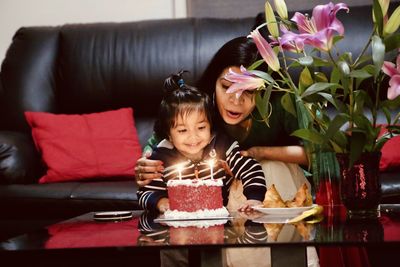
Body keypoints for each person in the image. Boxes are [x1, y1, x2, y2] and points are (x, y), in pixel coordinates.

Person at [135, 37, 311, 207]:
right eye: (227, 87)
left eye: (248, 91)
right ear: (214, 83)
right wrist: (145, 165)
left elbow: (316, 154)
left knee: (271, 168)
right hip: (218, 202)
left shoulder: (281, 102)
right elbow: (156, 143)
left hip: (279, 185)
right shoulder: (197, 107)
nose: (235, 100)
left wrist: (260, 152)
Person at [137, 70, 267, 213]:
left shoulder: (222, 146)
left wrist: (254, 198)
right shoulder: (161, 158)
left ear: (210, 125)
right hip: (179, 226)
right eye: (182, 130)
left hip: (221, 222)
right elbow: (145, 193)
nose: (193, 137)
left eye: (201, 127)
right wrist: (161, 202)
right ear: (168, 134)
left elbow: (251, 168)